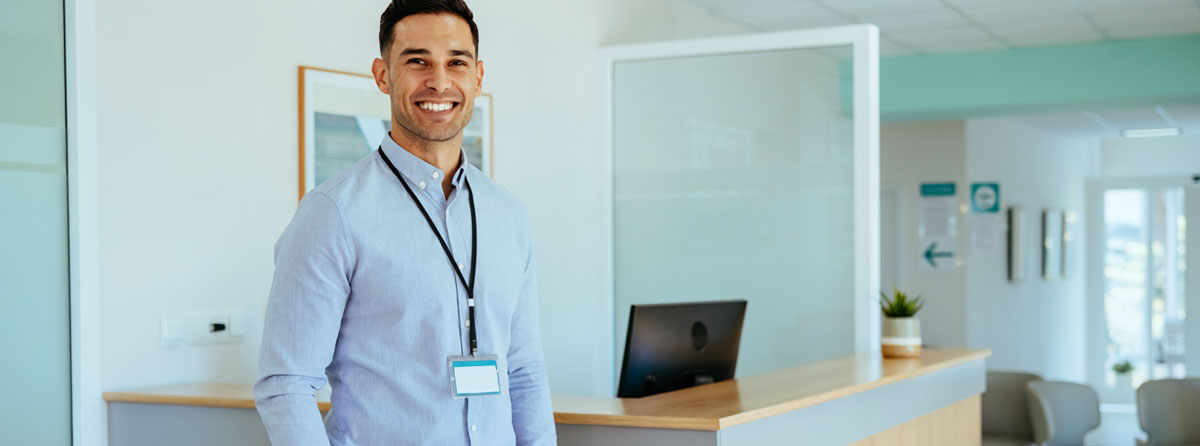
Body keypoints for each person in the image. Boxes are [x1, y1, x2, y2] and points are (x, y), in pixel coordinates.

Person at [254, 1, 556, 444]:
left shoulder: (508, 215)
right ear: (382, 75)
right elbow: (286, 385)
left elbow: (524, 370)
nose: (439, 81)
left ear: (478, 76)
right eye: (417, 61)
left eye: (456, 62)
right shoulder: (332, 214)